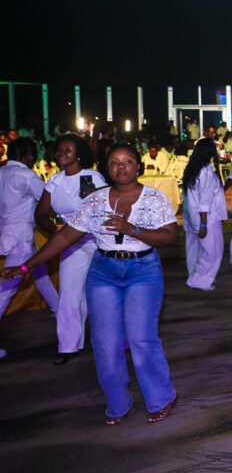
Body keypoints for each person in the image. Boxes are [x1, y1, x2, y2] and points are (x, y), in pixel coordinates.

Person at [3, 143, 179, 424]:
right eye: (114, 162)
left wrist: (131, 229)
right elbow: (64, 237)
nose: (121, 167)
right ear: (107, 169)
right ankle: (118, 403)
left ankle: (161, 397)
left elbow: (170, 237)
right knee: (105, 343)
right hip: (103, 273)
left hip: (142, 271)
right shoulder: (95, 201)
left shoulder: (153, 198)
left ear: (138, 166)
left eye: (128, 161)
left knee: (141, 338)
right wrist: (26, 266)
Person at [33, 134, 107, 364]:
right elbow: (40, 214)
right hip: (70, 243)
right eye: (59, 149)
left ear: (79, 153)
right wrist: (58, 233)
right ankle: (68, 345)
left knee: (104, 293)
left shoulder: (91, 177)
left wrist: (94, 195)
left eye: (68, 149)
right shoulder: (55, 180)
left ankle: (117, 340)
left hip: (97, 241)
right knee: (69, 293)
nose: (62, 153)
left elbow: (104, 209)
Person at [0, 138, 61, 356]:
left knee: (40, 273)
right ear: (28, 156)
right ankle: (60, 312)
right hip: (21, 236)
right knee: (7, 289)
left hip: (7, 232)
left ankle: (59, 311)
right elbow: (48, 201)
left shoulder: (2, 172)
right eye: (33, 155)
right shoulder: (25, 175)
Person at [180, 138, 227, 291]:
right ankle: (200, 280)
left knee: (194, 248)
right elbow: (204, 201)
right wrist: (203, 224)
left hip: (191, 215)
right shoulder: (206, 171)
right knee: (213, 250)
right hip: (206, 217)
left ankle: (194, 275)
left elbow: (185, 195)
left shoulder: (192, 169)